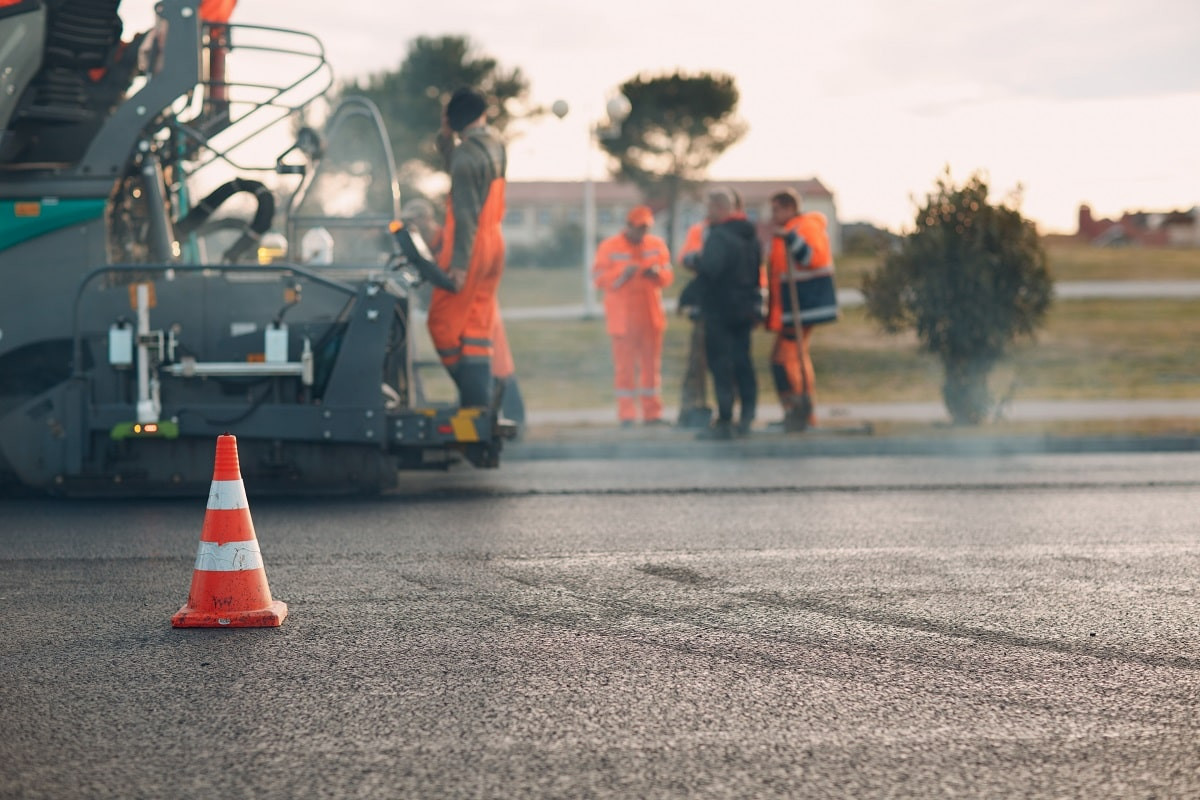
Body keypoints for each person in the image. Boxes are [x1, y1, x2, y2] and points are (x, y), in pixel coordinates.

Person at [402, 196, 525, 430]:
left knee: (498, 366)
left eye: (415, 221)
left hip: (476, 311)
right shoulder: (425, 250)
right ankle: (478, 407)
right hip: (459, 316)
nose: (413, 229)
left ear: (428, 219)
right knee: (472, 368)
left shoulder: (448, 242)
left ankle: (515, 420)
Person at [425, 87, 507, 408]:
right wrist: (448, 137)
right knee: (475, 327)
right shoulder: (496, 145)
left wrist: (458, 266)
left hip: (469, 247)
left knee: (441, 324)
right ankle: (485, 396)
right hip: (495, 244)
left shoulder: (465, 156)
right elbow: (458, 166)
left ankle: (479, 399)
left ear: (453, 119)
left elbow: (465, 214)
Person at [684, 188, 761, 439]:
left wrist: (693, 265)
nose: (707, 214)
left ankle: (725, 419)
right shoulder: (750, 236)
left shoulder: (719, 236)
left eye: (708, 208)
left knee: (720, 364)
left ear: (718, 208)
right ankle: (747, 417)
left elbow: (710, 270)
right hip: (745, 308)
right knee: (743, 363)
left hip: (720, 309)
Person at [593, 205, 674, 427]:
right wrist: (622, 273)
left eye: (646, 228)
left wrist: (657, 274)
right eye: (639, 228)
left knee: (651, 368)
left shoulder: (656, 245)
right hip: (623, 320)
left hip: (650, 317)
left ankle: (652, 414)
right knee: (624, 368)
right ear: (628, 226)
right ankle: (627, 415)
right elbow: (599, 279)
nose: (642, 233)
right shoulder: (609, 247)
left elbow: (668, 275)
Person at [765, 188, 833, 431]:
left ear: (789, 208)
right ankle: (795, 411)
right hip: (792, 309)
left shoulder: (804, 227)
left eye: (776, 210)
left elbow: (812, 258)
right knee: (785, 359)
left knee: (785, 360)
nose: (772, 215)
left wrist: (790, 238)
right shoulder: (788, 230)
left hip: (804, 307)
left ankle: (800, 411)